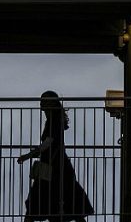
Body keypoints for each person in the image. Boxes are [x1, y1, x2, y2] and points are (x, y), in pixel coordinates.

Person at [18, 91, 94, 222]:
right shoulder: (56, 119)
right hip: (60, 166)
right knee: (69, 202)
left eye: (43, 102)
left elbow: (48, 142)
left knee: (38, 203)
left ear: (50, 104)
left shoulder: (53, 120)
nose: (41, 105)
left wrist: (29, 155)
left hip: (52, 167)